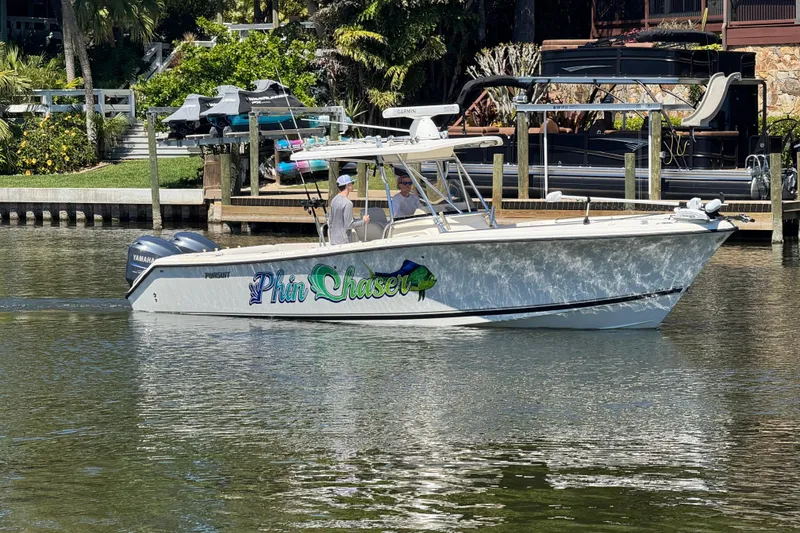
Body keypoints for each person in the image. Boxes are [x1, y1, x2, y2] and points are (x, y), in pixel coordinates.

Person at [328, 174, 370, 245]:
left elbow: (330, 221)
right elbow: (349, 225)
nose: (353, 185)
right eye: (352, 183)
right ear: (348, 185)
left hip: (334, 240)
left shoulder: (334, 200)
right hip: (344, 242)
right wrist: (364, 221)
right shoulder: (348, 203)